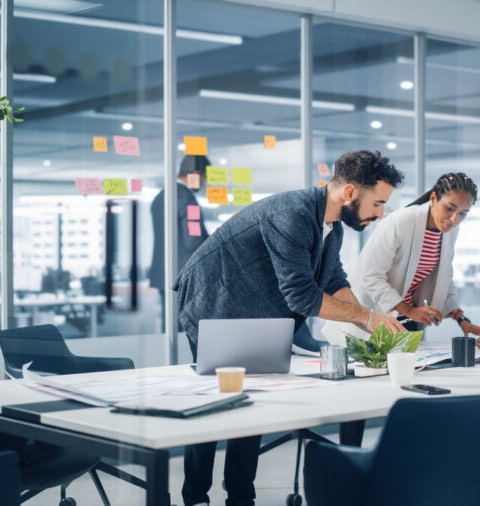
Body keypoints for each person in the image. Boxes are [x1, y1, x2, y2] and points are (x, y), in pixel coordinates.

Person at [174, 149, 406, 506]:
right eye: (377, 204)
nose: (380, 214)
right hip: (214, 302)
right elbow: (302, 296)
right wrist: (367, 318)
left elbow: (332, 279)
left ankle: (240, 497)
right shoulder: (294, 213)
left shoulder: (331, 226)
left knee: (252, 403)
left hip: (255, 310)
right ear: (349, 194)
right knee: (215, 403)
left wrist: (371, 319)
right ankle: (195, 497)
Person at [323, 172, 480, 343]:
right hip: (371, 317)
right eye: (449, 208)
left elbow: (445, 276)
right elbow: (371, 276)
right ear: (433, 198)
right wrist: (409, 311)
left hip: (405, 321)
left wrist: (461, 319)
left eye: (463, 213)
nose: (454, 219)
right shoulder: (401, 221)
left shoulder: (450, 231)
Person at [150, 155, 209, 331]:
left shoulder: (161, 196)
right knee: (187, 327)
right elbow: (193, 239)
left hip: (164, 274)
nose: (204, 184)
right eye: (205, 179)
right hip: (186, 277)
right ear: (196, 174)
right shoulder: (187, 200)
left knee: (169, 326)